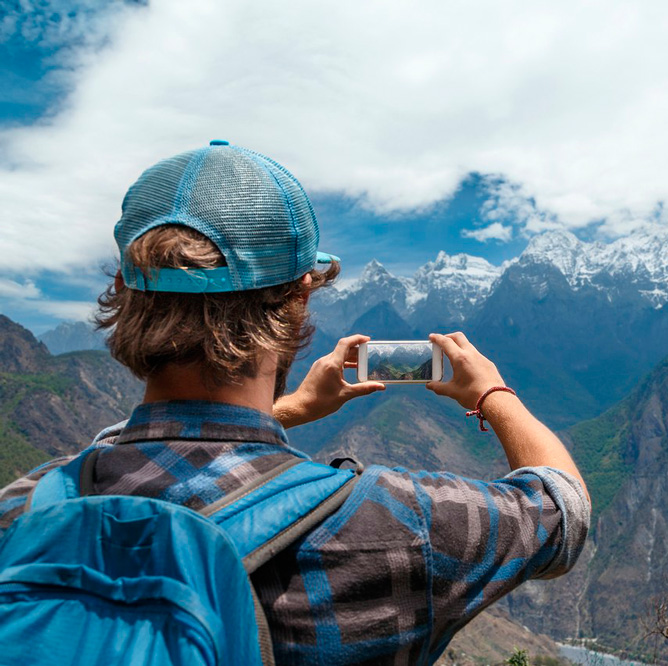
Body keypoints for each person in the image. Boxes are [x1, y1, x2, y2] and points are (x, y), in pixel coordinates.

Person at [0, 141, 590, 664]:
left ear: (125, 295)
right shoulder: (396, 527)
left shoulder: (24, 511)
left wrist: (288, 410)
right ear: (298, 301)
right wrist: (491, 392)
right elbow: (561, 510)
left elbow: (111, 450)